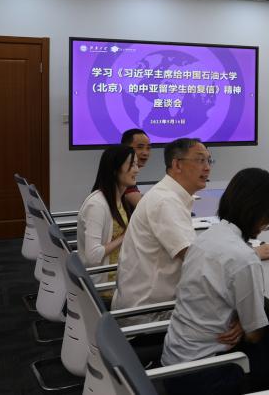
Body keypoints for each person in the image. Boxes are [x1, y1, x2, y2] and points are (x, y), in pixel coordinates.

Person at [161, 168, 269, 395]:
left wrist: (243, 321)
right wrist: (247, 323)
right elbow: (254, 335)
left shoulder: (205, 238)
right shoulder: (244, 258)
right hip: (207, 376)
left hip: (172, 365)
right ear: (261, 215)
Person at [112, 138, 209, 313]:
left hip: (149, 304)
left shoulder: (167, 195)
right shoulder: (165, 201)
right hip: (150, 315)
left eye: (209, 161)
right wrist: (248, 255)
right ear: (177, 165)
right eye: (200, 160)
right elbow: (194, 259)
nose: (207, 167)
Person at [76, 145, 139, 286]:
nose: (137, 170)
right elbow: (93, 256)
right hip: (106, 284)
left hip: (121, 274)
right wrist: (125, 236)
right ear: (115, 170)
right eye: (131, 165)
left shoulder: (120, 200)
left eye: (136, 164)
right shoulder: (97, 205)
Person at [120, 128, 151, 206]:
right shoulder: (124, 180)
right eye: (140, 147)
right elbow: (145, 208)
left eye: (148, 148)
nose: (145, 153)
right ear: (125, 149)